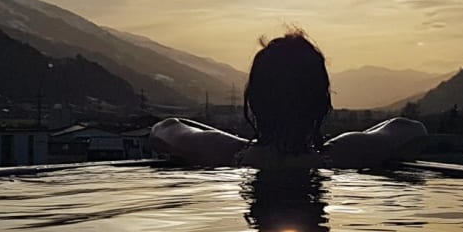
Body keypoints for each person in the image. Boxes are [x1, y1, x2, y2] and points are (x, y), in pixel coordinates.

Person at [149, 29, 428, 169]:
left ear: (254, 101)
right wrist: (341, 146)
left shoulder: (226, 154)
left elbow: (167, 128)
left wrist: (233, 144)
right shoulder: (341, 156)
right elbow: (409, 129)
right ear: (321, 103)